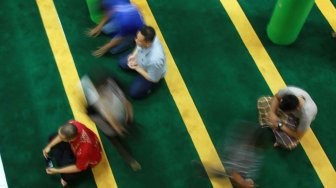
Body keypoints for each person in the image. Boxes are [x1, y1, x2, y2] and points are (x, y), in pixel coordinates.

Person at [81, 75, 141, 171]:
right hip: (98, 116)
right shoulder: (96, 98)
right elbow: (108, 116)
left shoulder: (111, 85)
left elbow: (126, 102)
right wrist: (118, 129)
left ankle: (128, 127)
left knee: (122, 122)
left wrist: (129, 116)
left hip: (113, 112)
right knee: (112, 136)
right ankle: (130, 160)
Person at [42, 120, 102, 187]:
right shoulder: (73, 124)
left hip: (85, 157)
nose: (59, 137)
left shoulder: (84, 151)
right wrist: (49, 146)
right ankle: (63, 154)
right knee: (52, 137)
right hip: (76, 147)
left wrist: (57, 170)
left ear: (69, 140)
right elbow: (61, 136)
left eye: (61, 138)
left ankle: (63, 161)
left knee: (67, 176)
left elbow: (78, 168)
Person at [119, 26, 167, 99]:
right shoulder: (150, 37)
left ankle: (149, 89)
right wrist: (133, 55)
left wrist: (137, 68)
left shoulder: (155, 60)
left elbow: (154, 79)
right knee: (122, 63)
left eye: (139, 40)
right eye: (136, 37)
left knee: (133, 93)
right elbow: (139, 46)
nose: (136, 40)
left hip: (151, 72)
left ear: (147, 43)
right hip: (143, 61)